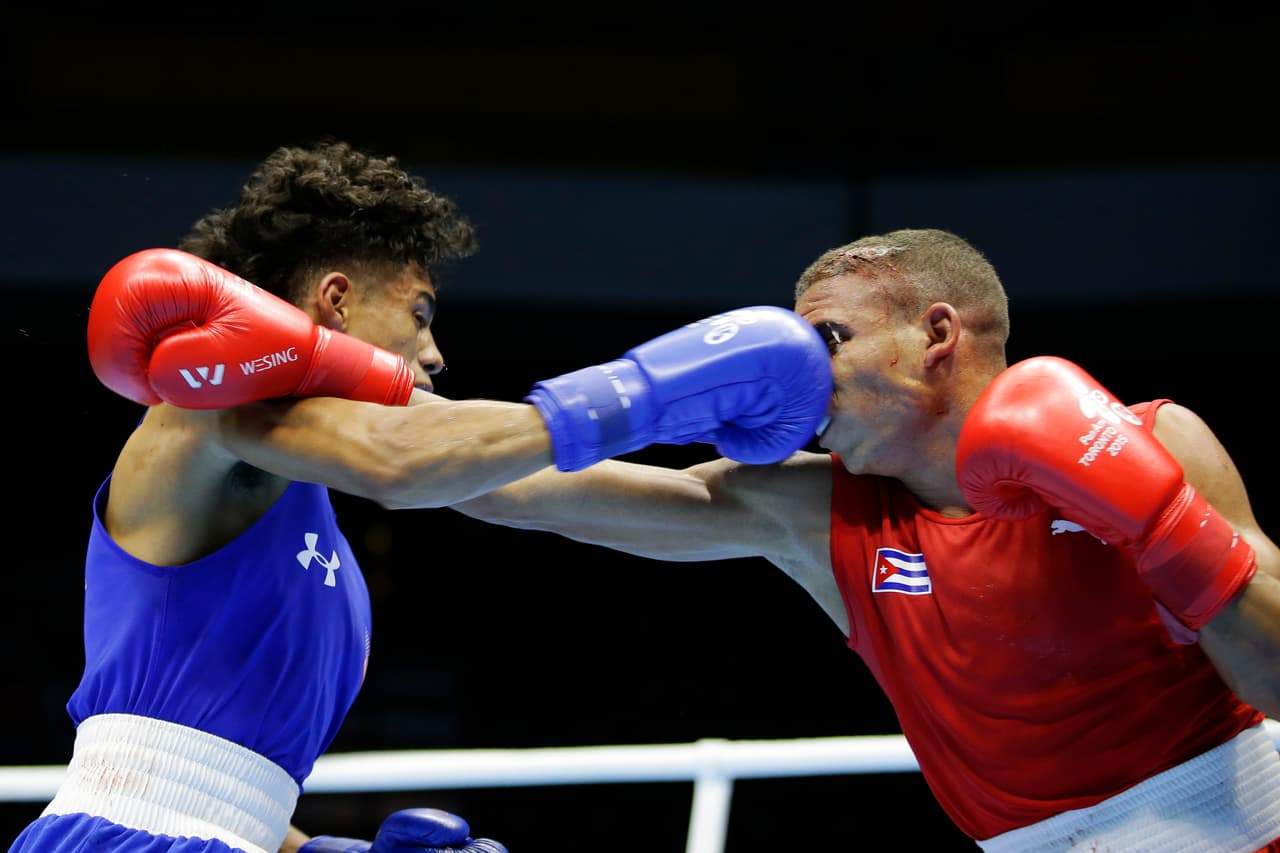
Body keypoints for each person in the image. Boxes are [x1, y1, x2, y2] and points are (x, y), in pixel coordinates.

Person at [11, 138, 832, 853]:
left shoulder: (303, 479)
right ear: (336, 298)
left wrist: (790, 506)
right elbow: (399, 461)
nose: (435, 353)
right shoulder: (205, 407)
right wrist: (638, 394)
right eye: (419, 312)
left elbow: (555, 490)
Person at [445, 227, 1280, 851]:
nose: (802, 380)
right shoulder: (820, 513)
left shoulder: (1153, 441)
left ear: (937, 336)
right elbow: (511, 493)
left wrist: (1168, 526)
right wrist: (370, 400)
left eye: (830, 341)